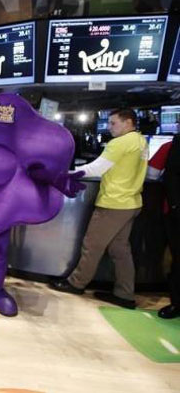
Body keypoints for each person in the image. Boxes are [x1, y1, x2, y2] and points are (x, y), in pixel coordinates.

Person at [50, 109, 148, 309]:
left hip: (113, 204)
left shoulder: (119, 143)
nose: (109, 127)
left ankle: (76, 283)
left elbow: (96, 169)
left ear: (128, 122)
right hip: (132, 203)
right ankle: (125, 294)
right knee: (120, 250)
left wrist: (65, 172)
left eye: (113, 123)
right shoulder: (141, 141)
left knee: (92, 245)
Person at [148, 129, 180, 319]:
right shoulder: (174, 144)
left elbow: (153, 174)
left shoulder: (171, 145)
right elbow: (170, 175)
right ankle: (176, 303)